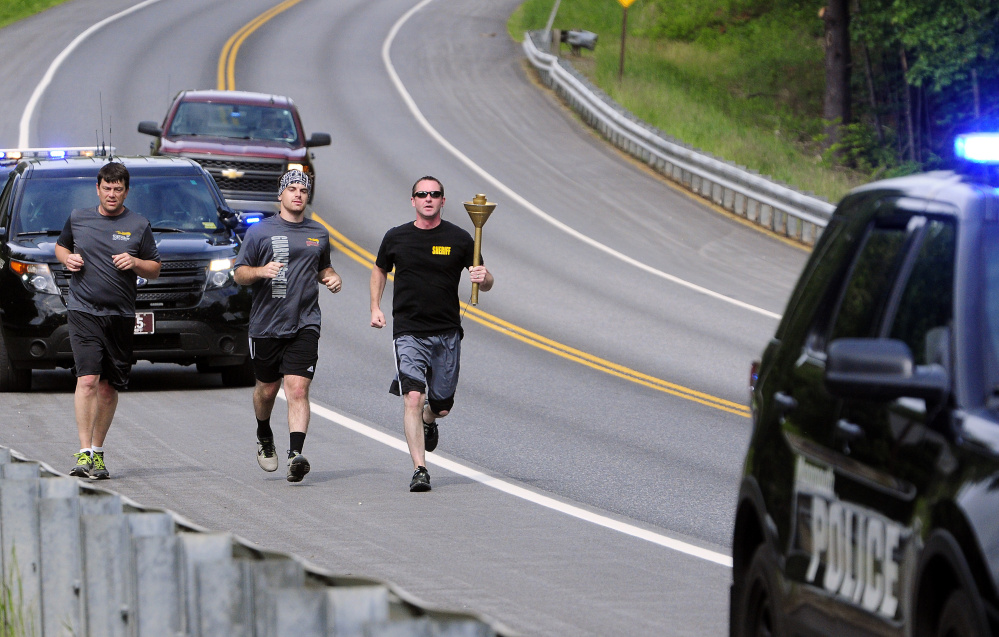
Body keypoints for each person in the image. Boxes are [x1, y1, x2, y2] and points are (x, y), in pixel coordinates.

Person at [370, 176, 494, 492]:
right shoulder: (396, 237)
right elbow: (379, 268)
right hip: (409, 332)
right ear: (413, 200)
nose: (428, 198)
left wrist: (485, 277)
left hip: (447, 333)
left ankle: (429, 420)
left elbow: (485, 277)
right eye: (422, 194)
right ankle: (420, 469)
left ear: (442, 200)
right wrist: (375, 306)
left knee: (441, 405)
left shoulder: (460, 238)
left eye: (434, 194)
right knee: (412, 395)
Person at [55, 161, 162, 480]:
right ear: (97, 188)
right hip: (83, 310)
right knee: (87, 379)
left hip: (120, 315)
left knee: (107, 387)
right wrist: (67, 258)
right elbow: (61, 246)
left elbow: (155, 268)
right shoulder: (79, 218)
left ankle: (98, 452)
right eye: (107, 188)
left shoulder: (138, 224)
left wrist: (135, 262)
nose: (112, 194)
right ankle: (84, 452)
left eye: (118, 189)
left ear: (126, 191)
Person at [234, 170, 341, 483]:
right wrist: (261, 271)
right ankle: (264, 433)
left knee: (297, 387)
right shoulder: (259, 233)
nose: (298, 194)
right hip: (267, 324)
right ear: (280, 195)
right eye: (291, 189)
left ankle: (296, 454)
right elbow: (239, 273)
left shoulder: (318, 233)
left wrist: (331, 277)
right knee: (267, 389)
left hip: (305, 321)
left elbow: (323, 267)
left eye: (303, 191)